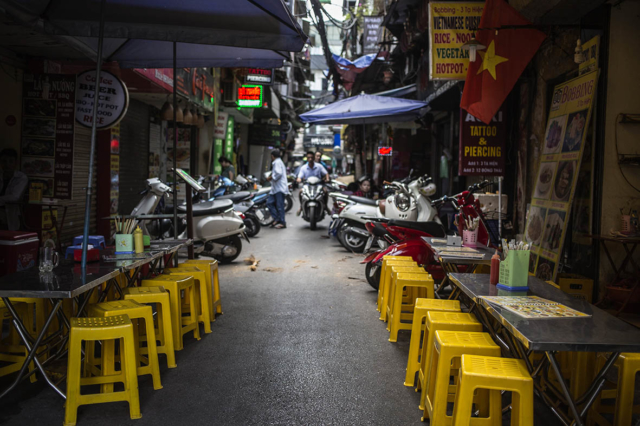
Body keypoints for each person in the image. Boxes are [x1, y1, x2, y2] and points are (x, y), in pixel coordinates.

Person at [0, 148, 28, 230]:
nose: (7, 165)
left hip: (10, 214)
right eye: (4, 161)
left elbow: (15, 197)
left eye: (11, 161)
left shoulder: (21, 177)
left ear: (15, 162)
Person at [296, 151, 328, 216]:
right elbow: (300, 176)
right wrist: (299, 179)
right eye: (308, 158)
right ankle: (301, 206)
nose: (310, 159)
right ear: (307, 158)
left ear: (313, 158)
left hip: (318, 186)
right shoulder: (303, 167)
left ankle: (326, 206)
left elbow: (326, 173)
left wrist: (327, 178)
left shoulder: (319, 166)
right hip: (307, 186)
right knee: (300, 192)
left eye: (311, 157)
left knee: (325, 191)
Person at [266, 149, 288, 229]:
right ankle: (277, 218)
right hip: (276, 188)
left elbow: (278, 173)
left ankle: (282, 222)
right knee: (269, 203)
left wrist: (270, 178)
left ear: (272, 156)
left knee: (279, 206)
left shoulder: (277, 162)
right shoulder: (278, 162)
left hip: (279, 188)